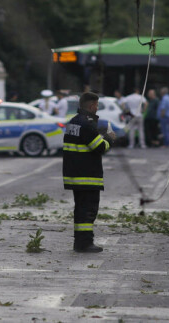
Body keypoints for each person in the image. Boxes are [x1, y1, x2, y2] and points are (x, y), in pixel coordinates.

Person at [62, 91, 113, 253]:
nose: (97, 108)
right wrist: (110, 138)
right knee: (88, 211)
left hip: (75, 175)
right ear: (92, 106)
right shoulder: (87, 125)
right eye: (96, 105)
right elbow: (100, 147)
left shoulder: (73, 122)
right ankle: (84, 243)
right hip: (87, 176)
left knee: (81, 209)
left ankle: (80, 242)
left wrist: (101, 134)